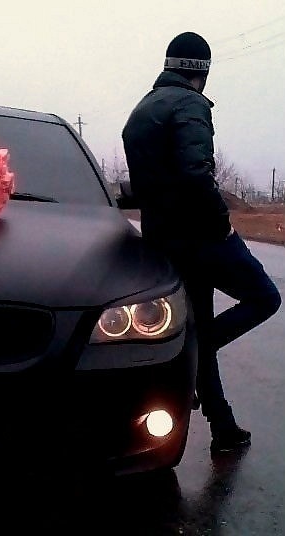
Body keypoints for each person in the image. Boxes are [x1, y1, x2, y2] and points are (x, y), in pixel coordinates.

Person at [121, 31, 281, 452]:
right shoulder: (189, 104)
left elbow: (145, 185)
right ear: (202, 71)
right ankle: (189, 354)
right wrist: (222, 223)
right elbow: (196, 173)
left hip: (164, 240)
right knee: (265, 298)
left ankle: (222, 427)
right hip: (201, 236)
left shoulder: (141, 111)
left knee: (200, 319)